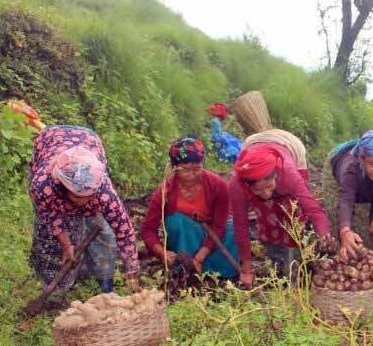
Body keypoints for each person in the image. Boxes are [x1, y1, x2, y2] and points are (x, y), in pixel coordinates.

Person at [28, 125, 140, 301]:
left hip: (89, 142)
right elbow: (50, 216)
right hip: (50, 140)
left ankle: (91, 278)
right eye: (78, 197)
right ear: (63, 188)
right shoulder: (43, 186)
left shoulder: (105, 194)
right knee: (49, 237)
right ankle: (46, 283)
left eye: (89, 197)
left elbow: (125, 232)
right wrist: (66, 245)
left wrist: (132, 271)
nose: (84, 202)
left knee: (101, 234)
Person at [229, 131, 333, 287]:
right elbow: (240, 225)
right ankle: (276, 262)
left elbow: (312, 208)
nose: (265, 194)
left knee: (293, 215)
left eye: (269, 186)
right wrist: (246, 268)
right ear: (248, 185)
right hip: (255, 144)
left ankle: (295, 266)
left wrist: (324, 234)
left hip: (290, 145)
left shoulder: (289, 174)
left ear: (275, 176)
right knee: (266, 216)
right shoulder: (237, 184)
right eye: (258, 190)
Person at [141, 135, 239, 279]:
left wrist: (200, 256)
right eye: (185, 169)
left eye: (197, 169)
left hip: (213, 235)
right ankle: (186, 268)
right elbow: (148, 229)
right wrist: (161, 252)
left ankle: (214, 270)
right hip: (186, 239)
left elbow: (219, 225)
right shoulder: (165, 192)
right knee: (175, 221)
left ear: (203, 163)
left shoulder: (218, 186)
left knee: (233, 227)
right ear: (174, 168)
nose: (191, 175)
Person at [322, 130, 373, 260]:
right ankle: (341, 257)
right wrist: (345, 231)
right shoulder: (350, 171)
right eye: (372, 163)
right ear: (361, 159)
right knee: (339, 217)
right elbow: (346, 200)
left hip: (363, 180)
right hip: (337, 165)